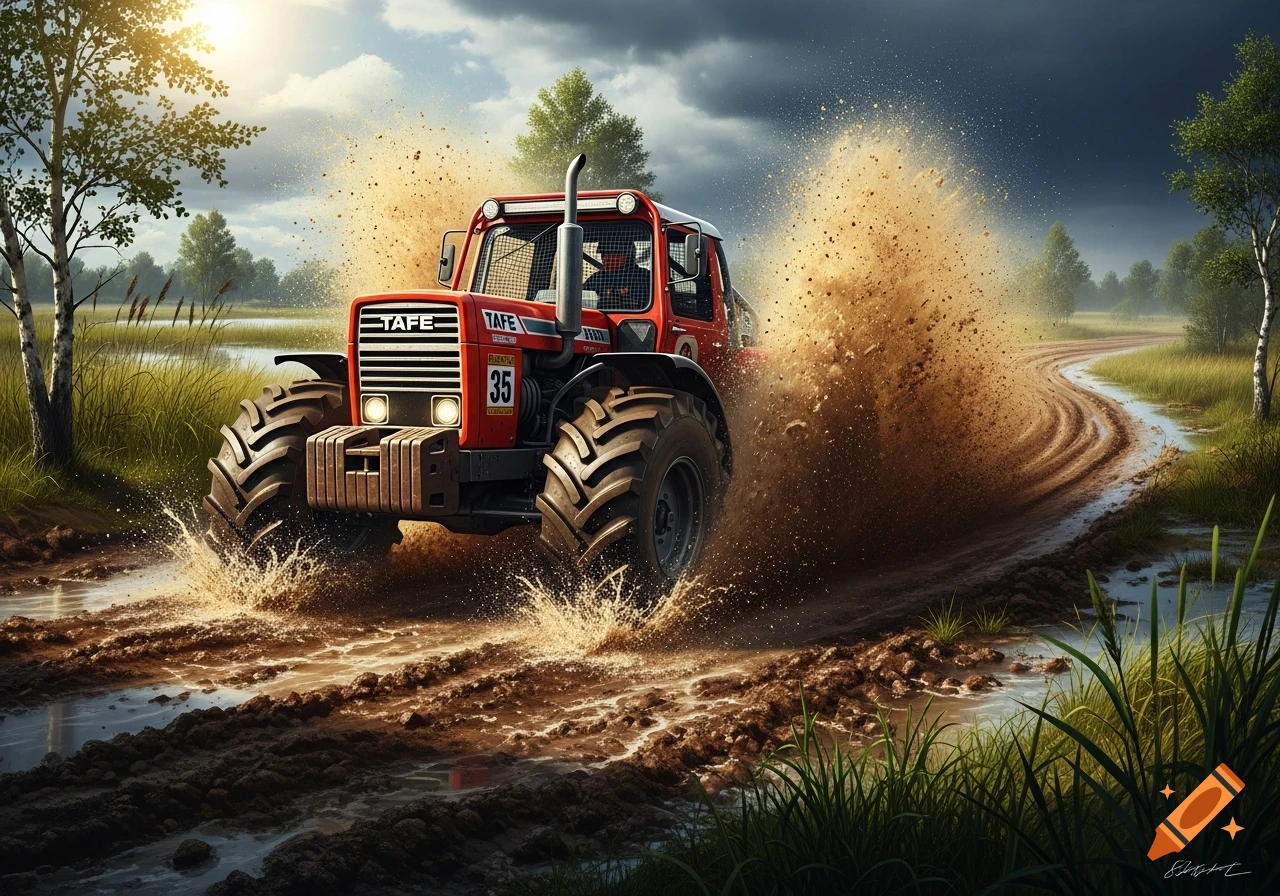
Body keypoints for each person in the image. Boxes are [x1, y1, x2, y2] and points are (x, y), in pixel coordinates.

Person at [584, 233, 650, 310]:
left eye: (609, 254)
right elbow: (581, 298)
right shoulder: (597, 279)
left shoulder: (644, 278)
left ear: (625, 256)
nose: (605, 259)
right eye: (603, 254)